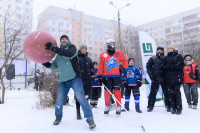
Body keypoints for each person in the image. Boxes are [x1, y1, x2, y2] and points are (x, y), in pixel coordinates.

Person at [42, 35, 96, 129]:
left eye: (65, 39)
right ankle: (58, 117)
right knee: (59, 100)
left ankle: (90, 119)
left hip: (75, 78)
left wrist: (53, 48)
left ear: (68, 40)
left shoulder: (72, 48)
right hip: (63, 80)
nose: (64, 40)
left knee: (81, 98)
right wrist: (45, 63)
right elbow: (54, 66)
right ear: (60, 41)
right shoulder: (58, 55)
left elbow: (69, 54)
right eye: (62, 39)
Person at [97, 39, 128, 115]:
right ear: (107, 45)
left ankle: (118, 106)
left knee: (117, 91)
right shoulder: (103, 55)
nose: (112, 45)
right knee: (107, 92)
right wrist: (99, 76)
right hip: (106, 76)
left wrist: (123, 68)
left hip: (116, 76)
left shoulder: (118, 53)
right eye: (110, 44)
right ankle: (107, 106)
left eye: (113, 44)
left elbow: (125, 60)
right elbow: (101, 66)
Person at [146, 46, 170, 112]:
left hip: (164, 78)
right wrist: (151, 75)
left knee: (166, 93)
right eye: (158, 50)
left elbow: (168, 68)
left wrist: (167, 76)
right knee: (153, 93)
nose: (159, 51)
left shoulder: (166, 58)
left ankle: (168, 105)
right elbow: (148, 67)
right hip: (155, 78)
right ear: (156, 51)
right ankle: (150, 106)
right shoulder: (152, 58)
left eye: (160, 50)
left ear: (162, 51)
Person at [163, 46, 184, 115]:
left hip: (177, 78)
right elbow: (163, 67)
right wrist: (168, 67)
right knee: (170, 94)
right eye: (168, 48)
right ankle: (173, 108)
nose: (170, 49)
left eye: (171, 48)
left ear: (174, 49)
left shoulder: (179, 56)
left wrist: (174, 67)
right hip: (168, 79)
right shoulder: (165, 57)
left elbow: (182, 65)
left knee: (177, 94)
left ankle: (179, 108)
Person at [76, 44, 93, 119]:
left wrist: (91, 71)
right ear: (80, 49)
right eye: (82, 48)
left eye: (85, 48)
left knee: (87, 96)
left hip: (88, 81)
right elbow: (74, 68)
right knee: (78, 97)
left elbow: (92, 68)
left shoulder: (89, 59)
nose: (83, 49)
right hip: (79, 80)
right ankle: (78, 113)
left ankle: (86, 112)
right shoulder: (77, 58)